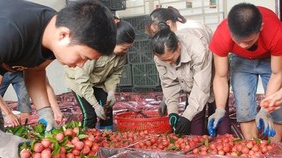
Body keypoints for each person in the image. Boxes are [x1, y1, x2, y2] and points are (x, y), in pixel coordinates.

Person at [0, 0, 116, 158]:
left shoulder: (51, 30)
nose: (80, 65)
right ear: (64, 35)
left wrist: (45, 112)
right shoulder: (8, 32)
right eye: (83, 57)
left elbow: (35, 70)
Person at [147, 7, 231, 135]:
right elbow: (169, 84)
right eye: (165, 61)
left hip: (214, 77)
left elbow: (201, 87)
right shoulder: (160, 58)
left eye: (171, 59)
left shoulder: (197, 48)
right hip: (191, 82)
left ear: (179, 46)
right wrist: (173, 112)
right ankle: (198, 151)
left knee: (219, 114)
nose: (169, 63)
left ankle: (225, 147)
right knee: (194, 124)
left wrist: (186, 116)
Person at [207, 3, 282, 142]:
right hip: (241, 61)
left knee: (277, 109)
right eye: (237, 41)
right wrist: (220, 109)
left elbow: (277, 74)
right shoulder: (222, 34)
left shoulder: (276, 32)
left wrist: (266, 109)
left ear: (261, 28)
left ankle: (274, 152)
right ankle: (252, 148)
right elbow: (221, 76)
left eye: (248, 41)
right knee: (244, 108)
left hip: (269, 58)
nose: (242, 46)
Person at [64, 20, 135, 130]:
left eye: (128, 49)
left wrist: (111, 92)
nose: (125, 51)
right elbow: (82, 79)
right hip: (79, 81)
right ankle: (84, 142)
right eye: (124, 48)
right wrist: (95, 105)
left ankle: (107, 141)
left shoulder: (121, 55)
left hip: (99, 82)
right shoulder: (95, 49)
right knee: (90, 115)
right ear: (113, 41)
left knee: (107, 109)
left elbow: (115, 74)